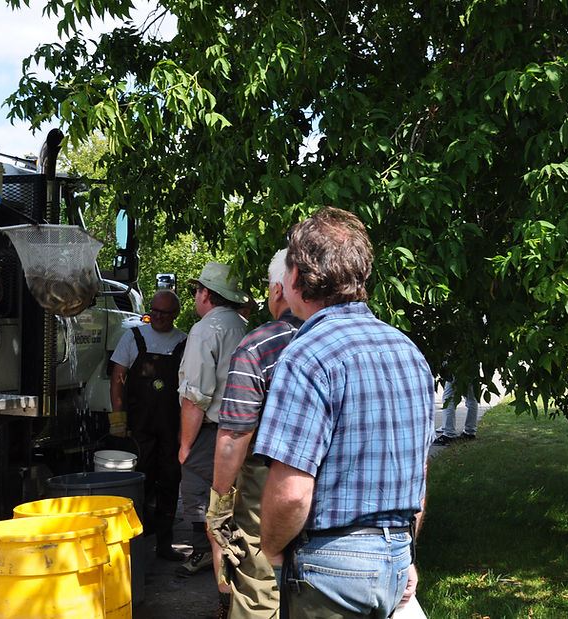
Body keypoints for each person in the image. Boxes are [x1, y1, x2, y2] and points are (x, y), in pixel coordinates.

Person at [254, 208, 434, 619]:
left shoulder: (305, 355)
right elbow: (416, 474)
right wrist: (401, 552)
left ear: (296, 278)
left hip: (329, 570)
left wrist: (270, 551)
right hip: (394, 561)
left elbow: (292, 492)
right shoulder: (408, 352)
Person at [208, 249, 303, 619]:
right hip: (333, 504)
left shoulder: (260, 346)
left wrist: (218, 507)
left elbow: (234, 436)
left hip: (267, 498)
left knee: (260, 589)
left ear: (279, 289)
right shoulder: (347, 342)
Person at [177, 262, 249, 583]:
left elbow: (195, 396)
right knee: (237, 511)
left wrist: (185, 446)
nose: (195, 296)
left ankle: (225, 593)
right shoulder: (245, 327)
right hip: (244, 432)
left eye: (197, 290)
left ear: (206, 293)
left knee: (213, 517)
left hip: (210, 435)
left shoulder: (206, 329)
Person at [109, 290, 188, 561]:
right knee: (137, 486)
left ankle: (165, 545)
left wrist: (184, 431)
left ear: (175, 315)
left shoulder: (183, 343)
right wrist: (118, 420)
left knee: (169, 483)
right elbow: (117, 378)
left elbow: (189, 389)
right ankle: (133, 548)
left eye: (164, 313)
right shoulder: (133, 337)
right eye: (154, 311)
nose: (157, 317)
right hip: (138, 429)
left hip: (170, 429)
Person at [433, 377, 479, 445]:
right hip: (470, 369)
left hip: (454, 369)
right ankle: (470, 431)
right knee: (471, 399)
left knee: (448, 399)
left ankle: (449, 434)